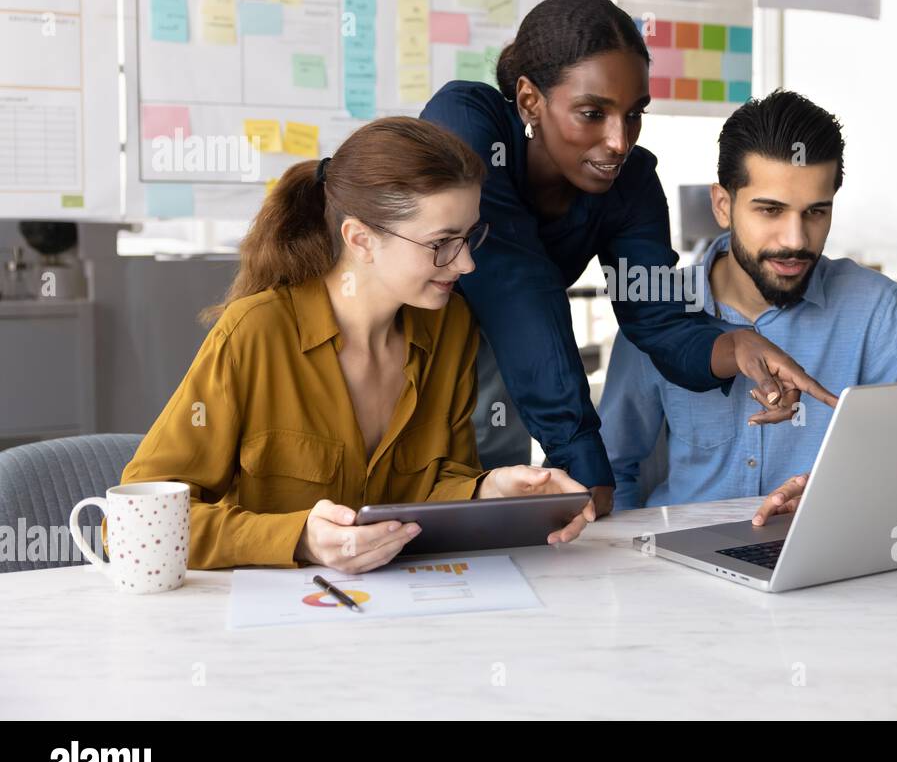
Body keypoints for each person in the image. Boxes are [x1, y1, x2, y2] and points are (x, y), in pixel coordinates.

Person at [420, 0, 837, 515]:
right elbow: (515, 285)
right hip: (390, 344)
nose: (620, 141)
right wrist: (581, 455)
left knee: (479, 533)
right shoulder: (465, 120)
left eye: (634, 114)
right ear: (529, 100)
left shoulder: (630, 182)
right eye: (592, 113)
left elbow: (656, 315)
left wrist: (736, 345)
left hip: (495, 361)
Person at [119, 117, 594, 572]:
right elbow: (132, 527)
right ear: (360, 239)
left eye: (469, 237)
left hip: (403, 619)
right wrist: (299, 538)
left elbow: (429, 491)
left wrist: (490, 492)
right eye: (443, 242)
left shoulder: (450, 328)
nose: (466, 263)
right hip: (272, 634)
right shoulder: (255, 334)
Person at [599, 89, 897, 512]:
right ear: (723, 206)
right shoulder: (659, 311)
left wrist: (841, 492)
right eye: (770, 211)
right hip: (680, 558)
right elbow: (610, 469)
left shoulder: (875, 307)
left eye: (815, 212)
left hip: (827, 551)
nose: (795, 240)